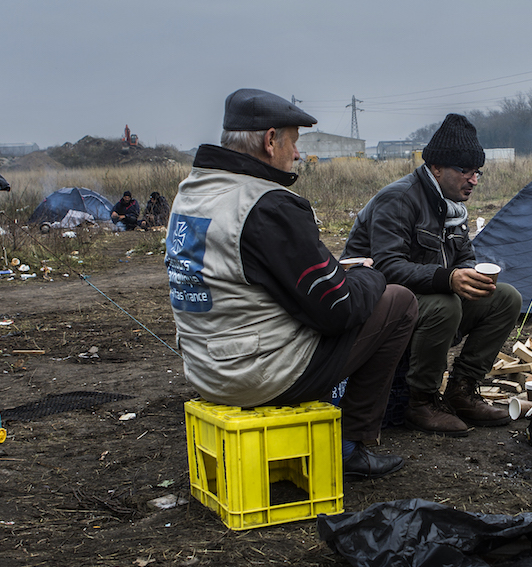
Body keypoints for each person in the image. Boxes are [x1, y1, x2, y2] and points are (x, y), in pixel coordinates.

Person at [167, 88, 415, 480]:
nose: (297, 154)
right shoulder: (267, 205)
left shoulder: (192, 193)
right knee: (398, 301)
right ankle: (350, 446)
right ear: (270, 140)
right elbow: (340, 311)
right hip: (256, 375)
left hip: (204, 366)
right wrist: (371, 273)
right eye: (294, 142)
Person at [344, 114, 521, 435]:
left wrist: (470, 277)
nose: (473, 179)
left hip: (425, 303)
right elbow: (386, 266)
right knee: (445, 304)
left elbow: (464, 256)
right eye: (464, 170)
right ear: (436, 168)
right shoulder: (398, 199)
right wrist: (448, 279)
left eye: (477, 172)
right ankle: (420, 401)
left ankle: (461, 391)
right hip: (378, 308)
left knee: (506, 298)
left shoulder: (452, 207)